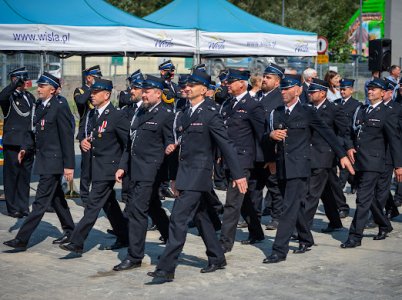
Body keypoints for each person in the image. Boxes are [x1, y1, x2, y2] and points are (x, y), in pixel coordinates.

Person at [147, 70, 247, 283]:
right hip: (185, 174)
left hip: (199, 174)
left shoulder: (211, 113)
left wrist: (238, 174)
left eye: (192, 85)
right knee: (201, 217)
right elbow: (179, 149)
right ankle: (217, 257)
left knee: (178, 219)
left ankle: (166, 268)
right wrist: (173, 177)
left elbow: (226, 145)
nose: (186, 88)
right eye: (185, 85)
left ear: (204, 90)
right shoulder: (183, 113)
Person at [263, 74, 354, 263]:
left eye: (288, 88)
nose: (284, 92)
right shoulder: (276, 112)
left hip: (300, 167)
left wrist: (342, 155)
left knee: (287, 208)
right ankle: (306, 238)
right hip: (281, 167)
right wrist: (271, 135)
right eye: (282, 89)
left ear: (298, 90)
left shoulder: (307, 112)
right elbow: (264, 138)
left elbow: (328, 133)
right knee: (294, 206)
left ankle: (279, 250)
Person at [3, 72, 75, 251]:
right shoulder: (39, 106)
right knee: (57, 198)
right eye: (39, 86)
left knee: (40, 203)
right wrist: (25, 148)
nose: (39, 89)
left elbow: (67, 137)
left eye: (42, 86)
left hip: (54, 162)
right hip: (44, 160)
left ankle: (22, 239)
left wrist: (69, 165)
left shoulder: (59, 106)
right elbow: (33, 132)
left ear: (52, 90)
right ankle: (71, 231)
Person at [60, 78, 129, 254]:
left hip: (108, 168)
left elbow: (127, 144)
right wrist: (84, 141)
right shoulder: (92, 114)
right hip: (94, 166)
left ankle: (77, 242)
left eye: (95, 92)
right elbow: (89, 134)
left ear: (106, 95)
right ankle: (125, 235)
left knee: (93, 205)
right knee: (109, 205)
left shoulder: (117, 115)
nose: (92, 95)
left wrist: (122, 167)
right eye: (91, 92)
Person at [112, 75, 174, 271]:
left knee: (137, 211)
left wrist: (170, 176)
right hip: (135, 170)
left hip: (151, 171)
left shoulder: (165, 115)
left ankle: (134, 256)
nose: (143, 94)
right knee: (154, 207)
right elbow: (130, 143)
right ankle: (172, 238)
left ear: (158, 93)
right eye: (143, 91)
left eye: (147, 92)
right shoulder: (140, 113)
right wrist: (122, 165)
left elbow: (171, 148)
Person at [343, 78, 402, 248]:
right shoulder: (361, 110)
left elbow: (394, 140)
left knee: (362, 198)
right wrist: (349, 147)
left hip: (375, 162)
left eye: (375, 90)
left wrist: (398, 165)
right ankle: (384, 224)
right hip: (358, 160)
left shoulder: (387, 112)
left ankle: (355, 236)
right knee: (369, 199)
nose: (370, 92)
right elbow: (350, 132)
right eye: (369, 89)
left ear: (383, 93)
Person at [219, 69, 265, 252]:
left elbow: (261, 134)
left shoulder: (253, 105)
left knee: (232, 203)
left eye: (232, 82)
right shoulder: (229, 103)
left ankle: (224, 243)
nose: (228, 84)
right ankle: (257, 232)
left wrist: (265, 160)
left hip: (243, 161)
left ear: (242, 84)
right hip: (229, 159)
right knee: (243, 201)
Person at [303, 78, 348, 232]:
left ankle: (303, 229)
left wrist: (339, 151)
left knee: (311, 193)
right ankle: (335, 222)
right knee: (326, 191)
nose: (309, 93)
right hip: (309, 154)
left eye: (313, 91)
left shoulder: (334, 109)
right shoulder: (307, 108)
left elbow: (344, 131)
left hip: (324, 155)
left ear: (322, 93)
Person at [0, 67, 35, 218]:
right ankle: (12, 207)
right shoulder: (9, 97)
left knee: (24, 176)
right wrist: (14, 84)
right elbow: (1, 96)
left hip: (27, 142)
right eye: (22, 79)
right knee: (12, 176)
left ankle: (23, 206)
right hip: (13, 143)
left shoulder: (29, 97)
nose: (25, 82)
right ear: (14, 80)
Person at [255, 63, 285, 230]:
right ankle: (253, 216)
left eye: (268, 78)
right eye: (264, 77)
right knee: (255, 186)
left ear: (277, 81)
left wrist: (272, 155)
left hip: (271, 150)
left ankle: (277, 217)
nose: (264, 80)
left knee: (274, 187)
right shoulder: (257, 96)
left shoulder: (279, 98)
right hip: (256, 149)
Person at [74, 65, 102, 206]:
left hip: (98, 132)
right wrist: (92, 88)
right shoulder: (80, 90)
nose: (99, 80)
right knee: (86, 167)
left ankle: (96, 193)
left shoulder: (99, 91)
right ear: (89, 77)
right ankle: (84, 196)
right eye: (96, 77)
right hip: (85, 132)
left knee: (97, 166)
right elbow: (80, 101)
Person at [333, 79, 361, 214]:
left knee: (342, 177)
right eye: (341, 89)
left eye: (345, 89)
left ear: (351, 90)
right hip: (335, 142)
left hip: (348, 145)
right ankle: (353, 180)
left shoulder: (357, 105)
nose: (342, 91)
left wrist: (351, 145)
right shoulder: (335, 104)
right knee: (338, 174)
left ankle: (341, 207)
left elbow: (354, 128)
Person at [119, 70, 145, 204]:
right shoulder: (126, 110)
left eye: (135, 88)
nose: (131, 91)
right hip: (128, 155)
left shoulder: (151, 109)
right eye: (132, 87)